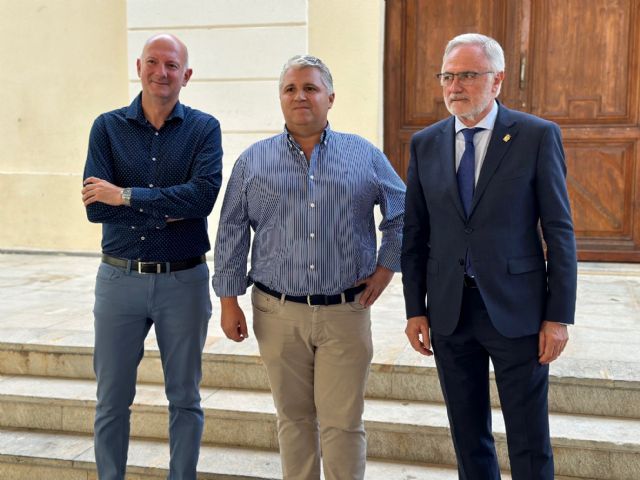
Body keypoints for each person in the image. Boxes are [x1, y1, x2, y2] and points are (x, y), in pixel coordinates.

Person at [212, 55, 405, 480]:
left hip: (345, 313)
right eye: (290, 89)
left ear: (330, 98)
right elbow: (231, 231)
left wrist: (385, 269)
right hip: (277, 313)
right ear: (280, 99)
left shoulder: (365, 155)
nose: (300, 96)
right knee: (293, 420)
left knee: (343, 423)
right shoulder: (253, 161)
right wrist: (229, 301)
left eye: (311, 88)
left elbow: (403, 214)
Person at [402, 33, 577, 479]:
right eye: (447, 76)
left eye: (467, 76)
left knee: (528, 438)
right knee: (467, 435)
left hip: (518, 311)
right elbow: (416, 232)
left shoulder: (536, 136)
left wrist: (559, 316)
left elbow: (558, 231)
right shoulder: (425, 143)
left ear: (497, 81)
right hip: (448, 312)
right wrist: (414, 309)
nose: (454, 86)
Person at [81, 33, 222, 480]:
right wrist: (166, 207)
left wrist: (126, 196)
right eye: (154, 63)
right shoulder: (106, 127)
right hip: (119, 281)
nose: (162, 72)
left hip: (184, 282)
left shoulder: (204, 129)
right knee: (111, 400)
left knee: (184, 398)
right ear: (139, 66)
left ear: (187, 75)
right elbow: (95, 208)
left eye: (172, 65)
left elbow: (201, 200)